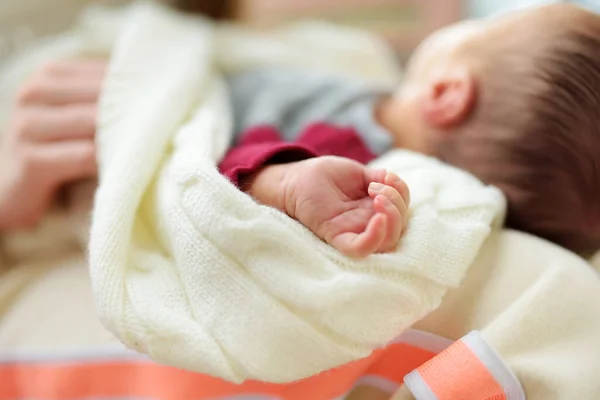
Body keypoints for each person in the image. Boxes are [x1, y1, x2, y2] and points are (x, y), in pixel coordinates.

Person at [2, 3, 600, 261]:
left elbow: (228, 169)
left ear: (447, 93)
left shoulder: (355, 151)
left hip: (132, 120)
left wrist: (279, 184)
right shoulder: (365, 88)